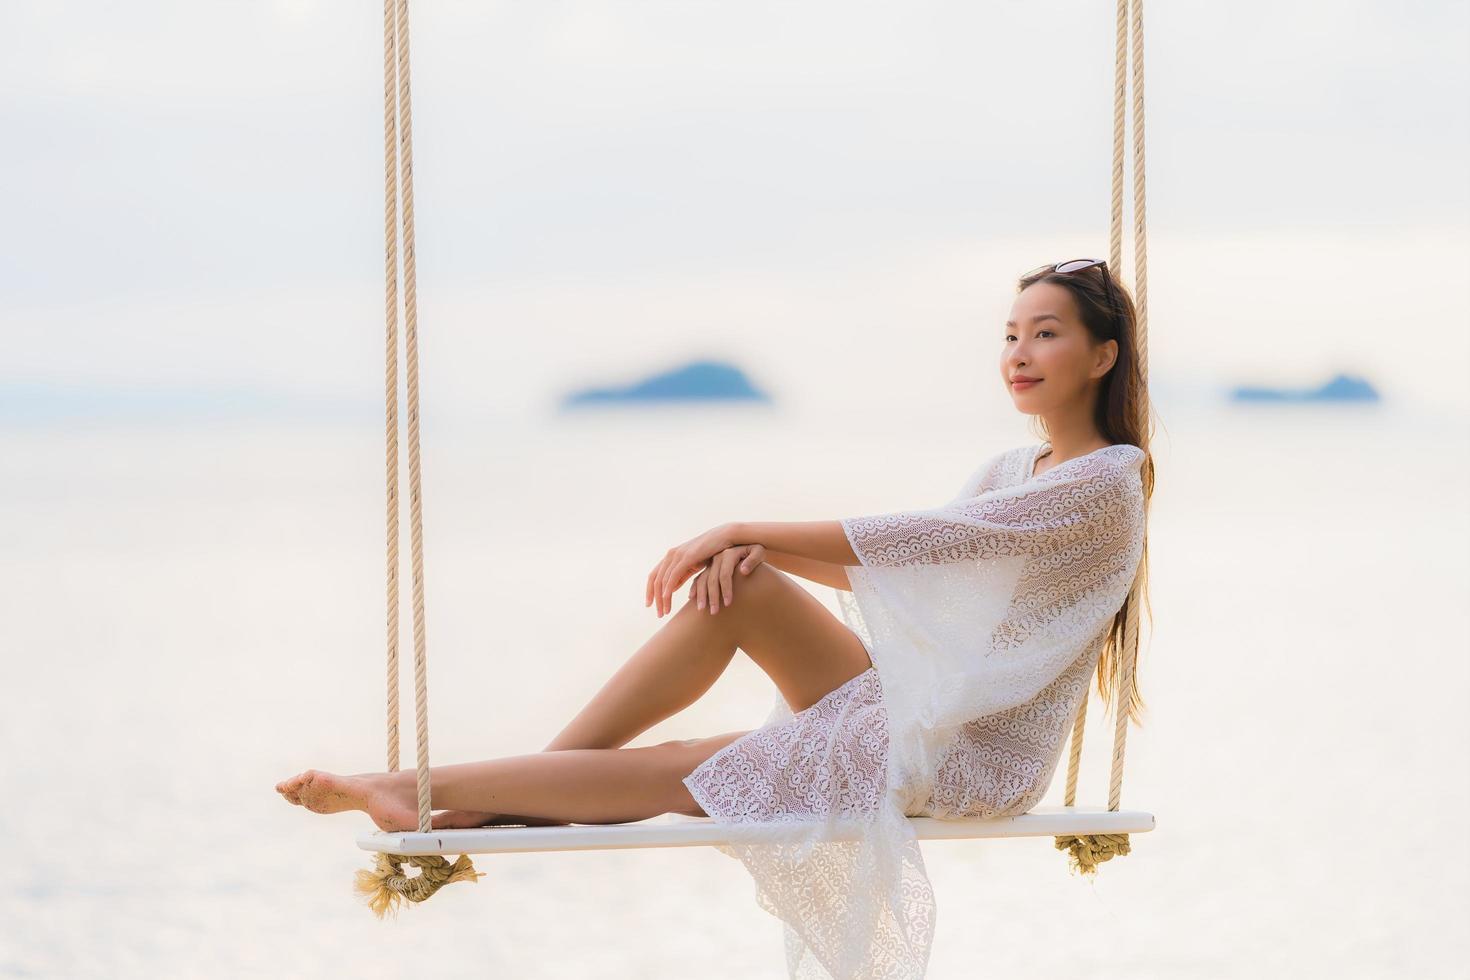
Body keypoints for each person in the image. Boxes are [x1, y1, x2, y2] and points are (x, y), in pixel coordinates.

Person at [277, 257, 1154, 980]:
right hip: (918, 707)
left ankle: (429, 790)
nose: (1019, 352)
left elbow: (923, 543)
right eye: (1010, 334)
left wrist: (745, 527)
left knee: (685, 764)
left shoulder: (1108, 477)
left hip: (971, 753)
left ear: (1104, 355)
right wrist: (758, 556)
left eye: (1046, 334)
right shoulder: (1015, 465)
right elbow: (904, 571)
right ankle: (525, 787)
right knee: (738, 587)